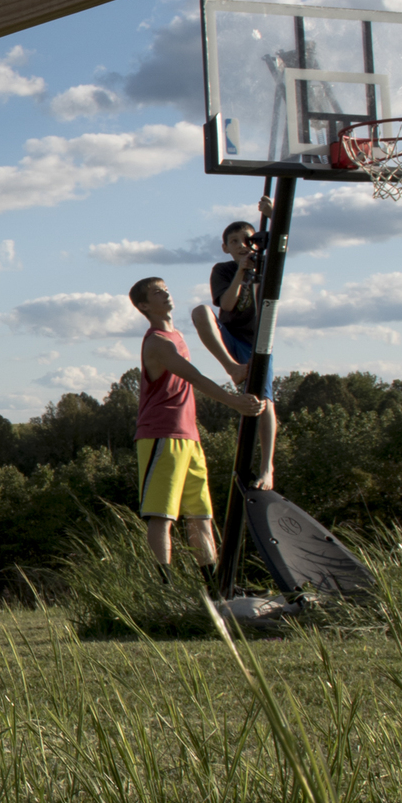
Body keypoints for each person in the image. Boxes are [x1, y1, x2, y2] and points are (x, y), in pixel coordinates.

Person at [131, 275, 268, 569]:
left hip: (189, 437)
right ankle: (163, 589)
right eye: (157, 293)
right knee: (161, 515)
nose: (166, 295)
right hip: (161, 434)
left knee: (201, 515)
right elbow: (192, 376)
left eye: (166, 289)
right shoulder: (156, 342)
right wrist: (234, 402)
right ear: (144, 305)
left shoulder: (177, 335)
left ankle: (212, 589)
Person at [188, 213, 277, 485]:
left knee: (265, 404)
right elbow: (226, 305)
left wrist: (272, 214)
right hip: (230, 335)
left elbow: (279, 242)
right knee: (201, 311)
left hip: (257, 341)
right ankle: (232, 368)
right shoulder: (223, 270)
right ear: (225, 247)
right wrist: (241, 271)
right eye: (234, 241)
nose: (241, 245)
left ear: (256, 244)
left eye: (247, 240)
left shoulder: (265, 265)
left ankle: (267, 468)